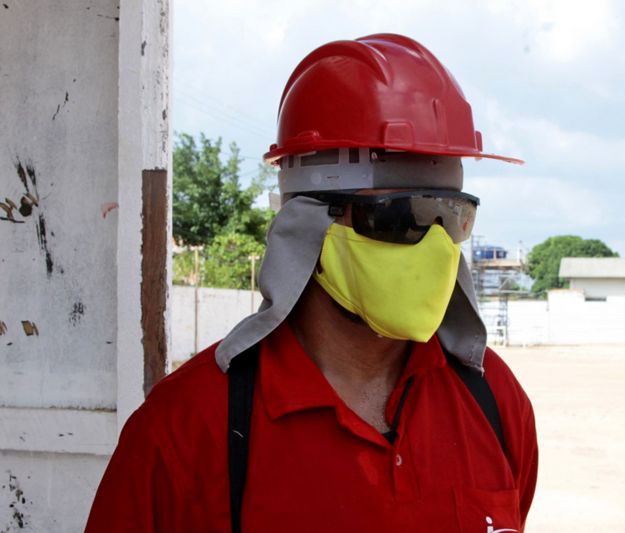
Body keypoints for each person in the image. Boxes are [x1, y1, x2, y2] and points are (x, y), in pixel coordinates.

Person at [86, 33, 538, 532]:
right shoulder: (186, 429)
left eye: (452, 216)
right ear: (308, 224)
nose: (435, 249)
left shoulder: (494, 401)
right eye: (399, 218)